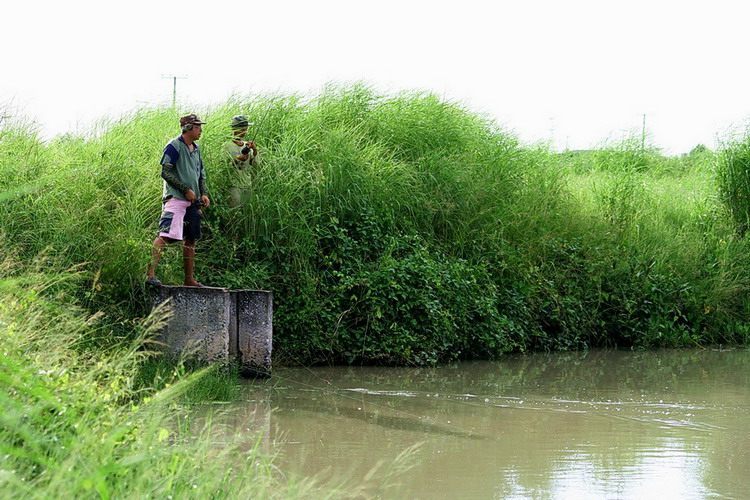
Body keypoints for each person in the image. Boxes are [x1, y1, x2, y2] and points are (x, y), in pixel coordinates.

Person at [146, 113, 211, 287]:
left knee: (191, 239)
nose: (200, 130)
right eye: (197, 127)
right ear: (188, 128)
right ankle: (150, 275)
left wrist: (203, 193)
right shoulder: (173, 146)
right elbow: (165, 172)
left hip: (192, 202)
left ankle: (189, 279)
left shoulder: (196, 150)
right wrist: (185, 189)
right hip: (175, 199)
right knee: (165, 235)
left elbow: (201, 176)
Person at [224, 114, 259, 206]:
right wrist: (237, 159)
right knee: (234, 213)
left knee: (246, 212)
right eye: (243, 129)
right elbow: (223, 168)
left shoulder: (247, 145)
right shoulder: (226, 146)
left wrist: (254, 150)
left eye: (246, 129)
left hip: (247, 185)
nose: (245, 131)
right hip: (233, 186)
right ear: (235, 129)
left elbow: (255, 164)